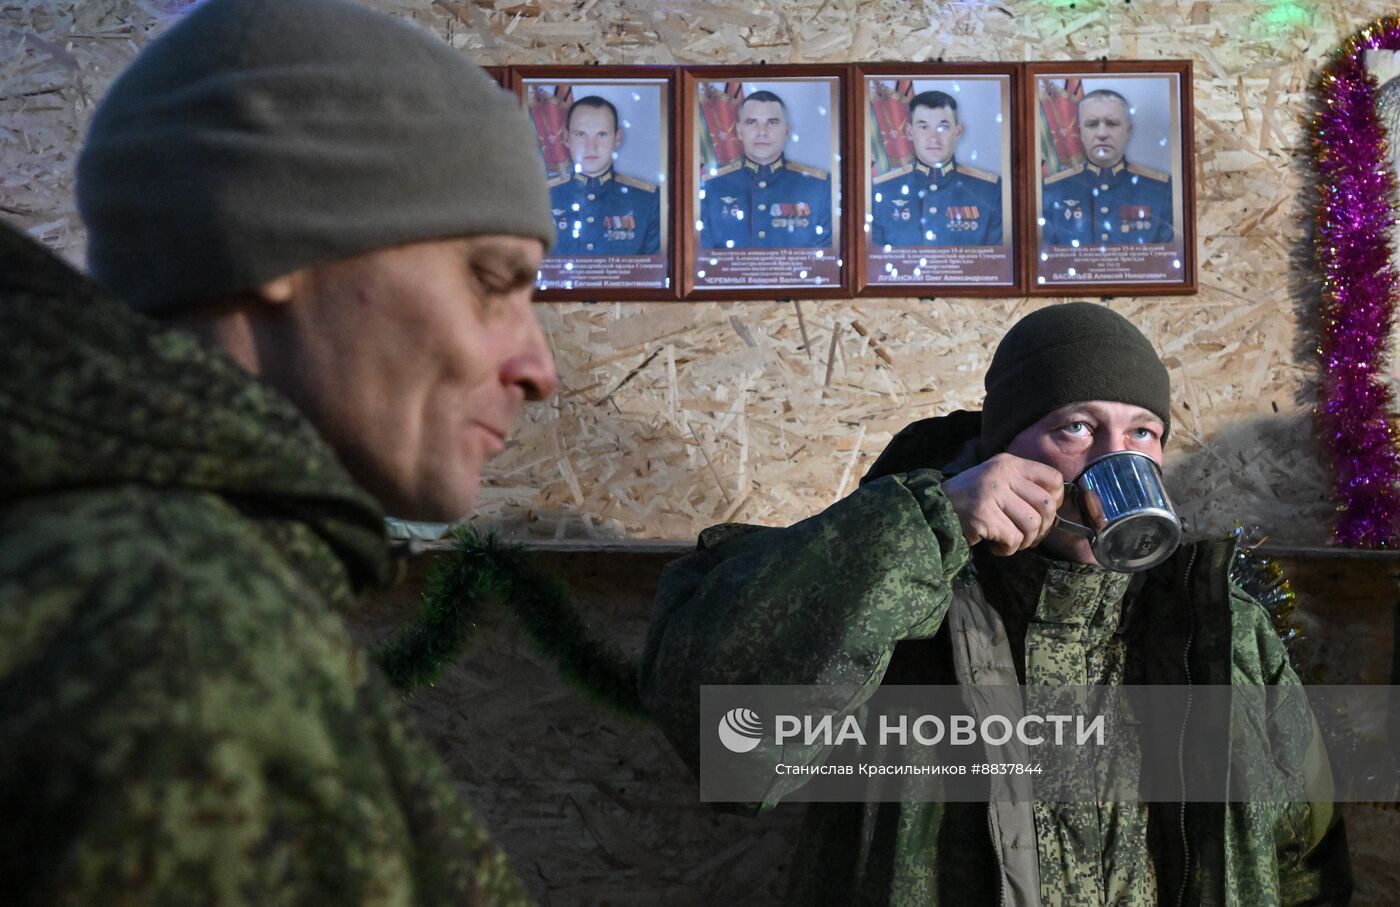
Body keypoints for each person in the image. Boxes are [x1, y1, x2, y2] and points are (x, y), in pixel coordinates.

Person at [0, 0, 560, 903]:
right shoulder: (177, 640)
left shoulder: (113, 566)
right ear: (279, 233)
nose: (538, 368)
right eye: (493, 282)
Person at [640, 302, 1351, 906]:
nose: (1114, 457)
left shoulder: (1219, 629)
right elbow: (729, 745)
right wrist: (925, 524)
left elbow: (1307, 860)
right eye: (1075, 426)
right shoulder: (903, 600)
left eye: (1142, 432)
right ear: (1004, 448)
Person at [699, 89, 832, 250]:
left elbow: (825, 262)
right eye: (751, 122)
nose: (762, 132)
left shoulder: (818, 187)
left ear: (786, 131)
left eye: (772, 122)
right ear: (739, 131)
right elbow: (703, 258)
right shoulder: (712, 187)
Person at [1041, 89, 1174, 247]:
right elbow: (1046, 263)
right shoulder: (1053, 190)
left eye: (1112, 124)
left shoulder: (1160, 190)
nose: (1102, 133)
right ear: (1080, 133)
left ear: (1128, 131)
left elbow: (1167, 261)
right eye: (1092, 124)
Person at [870, 89, 1002, 248]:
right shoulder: (882, 190)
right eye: (924, 127)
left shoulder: (988, 191)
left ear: (958, 132)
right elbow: (873, 263)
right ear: (910, 132)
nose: (933, 138)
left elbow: (996, 265)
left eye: (943, 127)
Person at [547, 95, 661, 257]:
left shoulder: (647, 200)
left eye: (602, 134)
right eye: (580, 134)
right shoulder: (541, 198)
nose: (591, 146)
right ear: (566, 138)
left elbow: (653, 274)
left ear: (617, 138)